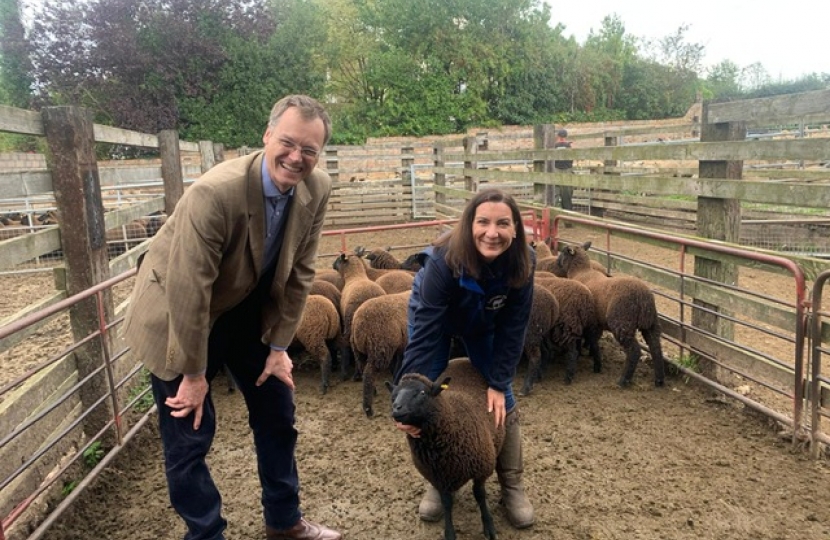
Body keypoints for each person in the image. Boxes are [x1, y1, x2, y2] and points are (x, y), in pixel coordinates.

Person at [124, 95, 342, 540]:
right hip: (177, 315)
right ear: (267, 136)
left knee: (277, 413)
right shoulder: (214, 194)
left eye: (309, 150)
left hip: (245, 308)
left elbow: (301, 271)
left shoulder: (316, 188)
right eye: (287, 142)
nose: (296, 157)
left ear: (319, 154)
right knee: (190, 434)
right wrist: (194, 371)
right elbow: (189, 290)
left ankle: (285, 522)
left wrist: (280, 348)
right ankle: (207, 535)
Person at [393, 188, 536, 529]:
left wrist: (499, 382)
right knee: (424, 396)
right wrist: (410, 393)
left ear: (515, 227)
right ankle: (437, 479)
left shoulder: (523, 263)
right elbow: (425, 332)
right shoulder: (443, 262)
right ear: (469, 224)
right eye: (483, 221)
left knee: (505, 397)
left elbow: (514, 329)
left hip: (484, 320)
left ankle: (512, 484)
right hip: (436, 320)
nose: (492, 232)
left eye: (503, 223)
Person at [553, 128, 574, 211]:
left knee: (555, 195)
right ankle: (568, 219)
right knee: (567, 197)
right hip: (567, 171)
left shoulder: (554, 146)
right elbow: (572, 159)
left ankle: (554, 214)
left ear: (558, 136)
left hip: (556, 171)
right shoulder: (569, 146)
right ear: (566, 136)